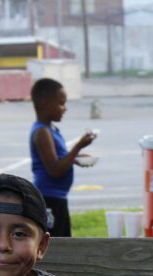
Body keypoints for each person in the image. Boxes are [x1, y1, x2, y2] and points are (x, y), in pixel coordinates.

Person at [29, 78, 96, 237]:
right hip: (49, 198)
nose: (64, 109)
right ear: (45, 104)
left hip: (58, 197)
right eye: (61, 104)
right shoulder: (42, 133)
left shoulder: (52, 130)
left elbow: (59, 158)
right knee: (56, 244)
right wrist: (78, 146)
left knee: (64, 238)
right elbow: (55, 169)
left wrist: (75, 158)